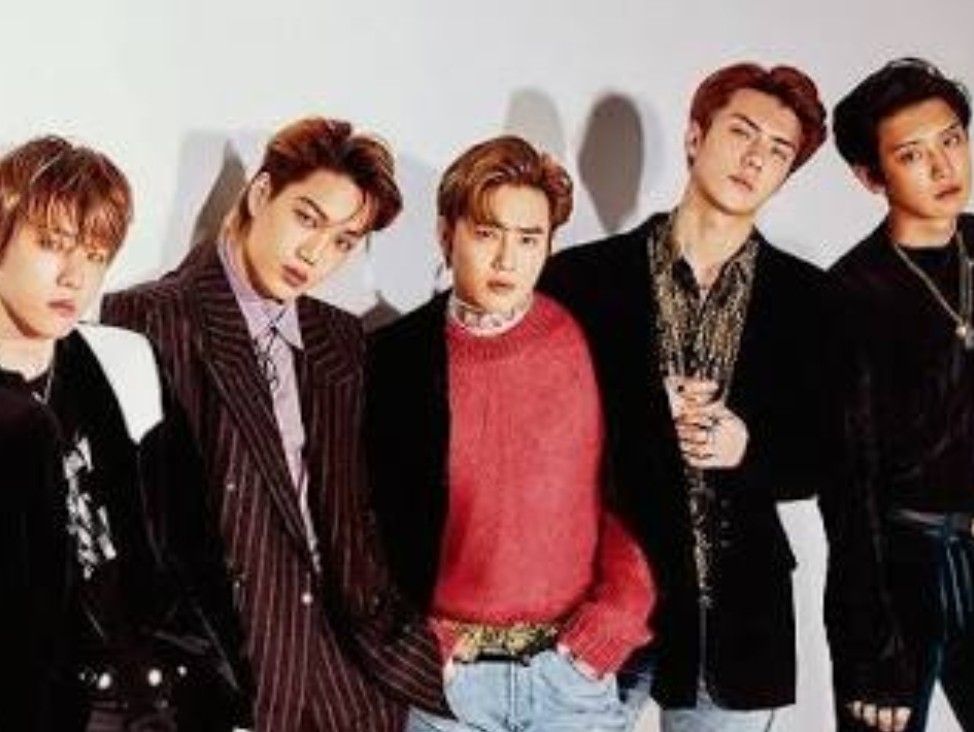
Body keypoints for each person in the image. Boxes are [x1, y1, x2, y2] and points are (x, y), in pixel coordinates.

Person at [101, 117, 446, 731]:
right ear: (262, 193)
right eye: (307, 218)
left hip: (352, 679)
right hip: (238, 670)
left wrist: (400, 638)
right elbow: (136, 527)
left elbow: (361, 513)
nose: (316, 254)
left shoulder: (339, 339)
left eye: (344, 241)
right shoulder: (149, 319)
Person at [541, 62, 836, 731]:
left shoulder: (810, 300)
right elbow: (541, 431)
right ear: (696, 136)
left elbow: (828, 454)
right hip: (599, 601)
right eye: (742, 132)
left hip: (734, 614)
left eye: (778, 150)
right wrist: (646, 412)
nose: (755, 158)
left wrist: (748, 447)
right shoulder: (581, 279)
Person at [365, 135, 655, 732]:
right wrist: (410, 644)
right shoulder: (393, 359)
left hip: (569, 680)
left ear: (550, 245)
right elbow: (359, 521)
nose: (507, 260)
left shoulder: (592, 343)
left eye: (528, 239)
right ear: (446, 234)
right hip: (443, 685)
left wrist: (612, 624)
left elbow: (641, 496)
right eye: (486, 233)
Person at [0, 135, 251, 731]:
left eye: (95, 254)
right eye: (51, 244)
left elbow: (196, 552)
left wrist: (230, 700)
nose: (74, 276)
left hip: (154, 703)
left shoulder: (127, 364)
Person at [826, 57, 974, 732]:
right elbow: (847, 490)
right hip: (903, 567)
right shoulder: (849, 296)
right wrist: (869, 647)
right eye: (912, 155)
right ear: (871, 177)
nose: (943, 166)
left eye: (952, 140)